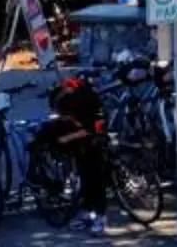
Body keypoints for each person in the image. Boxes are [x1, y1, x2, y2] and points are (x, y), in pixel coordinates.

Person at [36, 69, 113, 234]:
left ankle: (100, 216)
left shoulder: (86, 104)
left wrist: (67, 138)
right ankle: (86, 211)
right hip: (82, 143)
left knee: (95, 178)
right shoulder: (71, 98)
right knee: (85, 176)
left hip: (94, 139)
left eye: (61, 113)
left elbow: (90, 129)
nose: (60, 115)